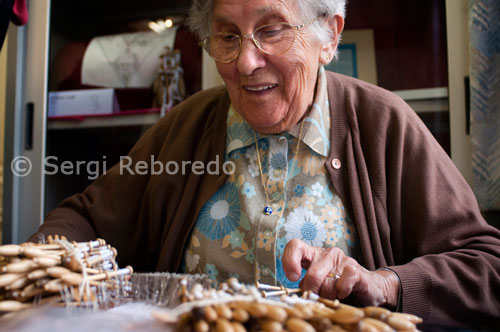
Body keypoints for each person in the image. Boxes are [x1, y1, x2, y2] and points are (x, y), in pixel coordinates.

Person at [31, 0, 500, 328]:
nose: (245, 61)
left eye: (271, 29)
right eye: (227, 36)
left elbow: (486, 267)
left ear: (329, 36)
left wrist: (384, 283)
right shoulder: (187, 127)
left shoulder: (382, 124)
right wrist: (38, 268)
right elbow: (85, 218)